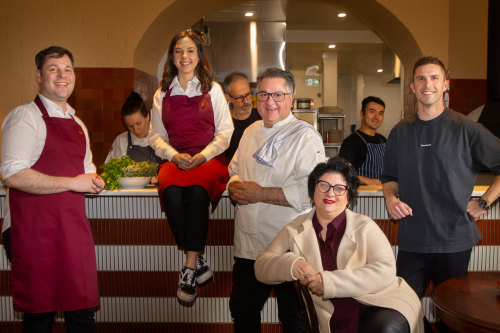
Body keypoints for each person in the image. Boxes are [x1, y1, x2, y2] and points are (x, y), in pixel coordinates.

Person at [381, 56, 500, 325]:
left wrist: (484, 203)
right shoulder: (400, 132)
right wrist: (390, 197)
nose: (428, 84)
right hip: (413, 240)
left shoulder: (467, 128)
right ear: (412, 86)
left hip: (454, 241)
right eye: (421, 78)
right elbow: (389, 177)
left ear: (446, 85)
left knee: (451, 316)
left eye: (434, 78)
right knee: (401, 314)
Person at [255, 157, 424, 333]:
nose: (330, 193)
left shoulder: (364, 226)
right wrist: (293, 264)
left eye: (339, 188)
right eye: (323, 186)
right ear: (313, 192)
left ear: (349, 198)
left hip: (379, 301)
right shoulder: (295, 228)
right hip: (332, 313)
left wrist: (328, 283)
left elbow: (385, 270)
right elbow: (261, 266)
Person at [0, 46, 105, 331]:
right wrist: (73, 183)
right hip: (33, 231)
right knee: (39, 315)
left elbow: (86, 168)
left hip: (72, 229)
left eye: (67, 69)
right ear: (38, 75)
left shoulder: (77, 123)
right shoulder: (24, 117)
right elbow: (12, 174)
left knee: (82, 311)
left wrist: (93, 179)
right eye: (53, 69)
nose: (62, 75)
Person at [228, 68, 326, 332]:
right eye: (263, 94)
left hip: (289, 247)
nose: (270, 101)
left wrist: (259, 193)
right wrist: (234, 186)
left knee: (294, 318)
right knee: (243, 313)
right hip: (249, 245)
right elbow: (234, 169)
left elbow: (311, 191)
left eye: (278, 95)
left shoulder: (305, 136)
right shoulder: (250, 131)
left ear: (291, 98)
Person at [149, 30, 234, 303]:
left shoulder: (213, 90)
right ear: (172, 56)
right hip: (176, 157)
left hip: (208, 159)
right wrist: (173, 156)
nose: (184, 56)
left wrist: (203, 156)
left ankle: (188, 267)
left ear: (199, 56)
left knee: (197, 192)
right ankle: (198, 260)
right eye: (178, 51)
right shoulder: (162, 93)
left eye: (190, 51)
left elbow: (225, 132)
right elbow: (155, 136)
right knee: (170, 191)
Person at [339, 96, 386, 185]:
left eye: (380, 113)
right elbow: (342, 172)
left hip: (381, 196)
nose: (376, 117)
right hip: (360, 196)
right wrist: (368, 181)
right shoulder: (352, 142)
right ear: (362, 114)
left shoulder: (383, 141)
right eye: (372, 112)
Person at [105, 91, 161, 163]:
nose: (136, 130)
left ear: (147, 116)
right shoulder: (121, 140)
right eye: (131, 126)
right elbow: (110, 170)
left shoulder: (161, 136)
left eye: (138, 124)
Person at [222, 71, 261, 161]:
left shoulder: (263, 117)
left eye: (248, 95)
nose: (246, 101)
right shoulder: (224, 124)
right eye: (239, 98)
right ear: (228, 98)